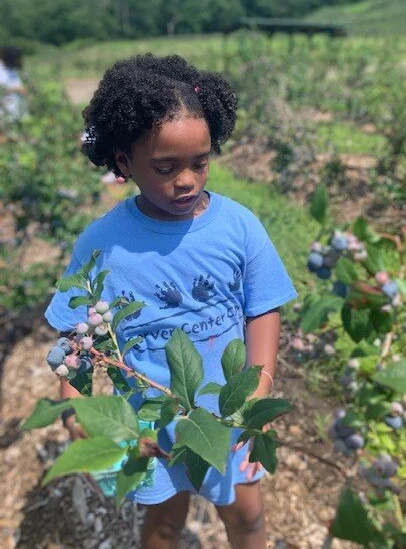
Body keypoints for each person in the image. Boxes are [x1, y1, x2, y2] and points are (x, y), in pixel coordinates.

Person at [44, 54, 297, 549]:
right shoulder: (103, 245)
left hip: (227, 413)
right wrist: (77, 411)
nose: (187, 180)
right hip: (149, 422)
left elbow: (262, 307)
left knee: (247, 515)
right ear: (124, 163)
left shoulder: (238, 226)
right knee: (163, 523)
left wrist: (260, 386)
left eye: (200, 162)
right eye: (165, 167)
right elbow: (77, 339)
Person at [0, 45, 28, 121]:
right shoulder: (2, 69)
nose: (20, 60)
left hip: (16, 110)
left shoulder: (11, 68)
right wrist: (17, 89)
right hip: (5, 112)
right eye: (18, 58)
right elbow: (2, 89)